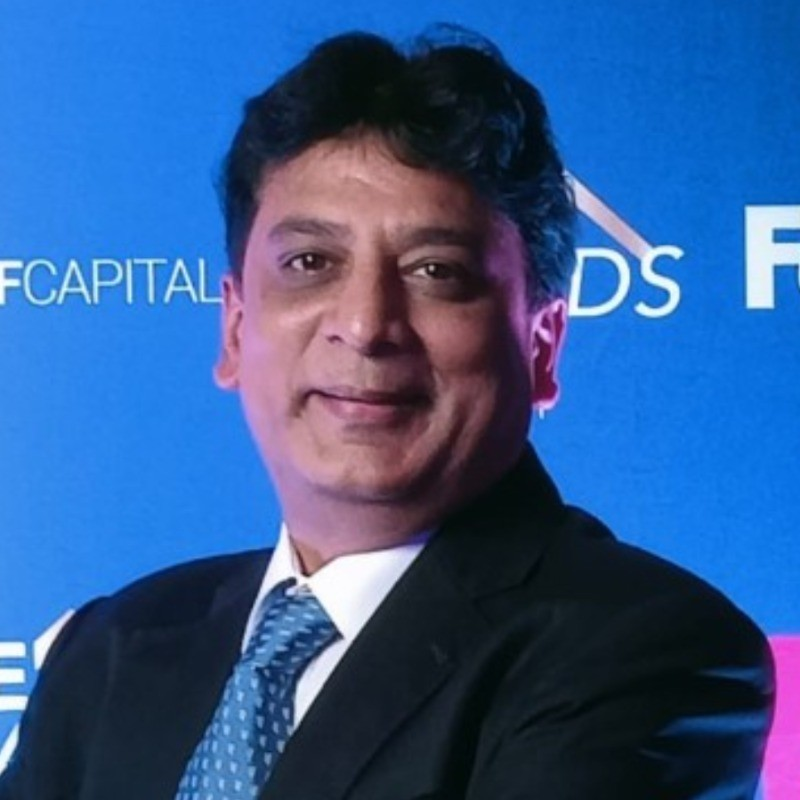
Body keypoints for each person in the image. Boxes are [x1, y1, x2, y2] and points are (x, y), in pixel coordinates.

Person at [0, 27, 773, 800]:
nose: (366, 324)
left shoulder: (649, 652)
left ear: (542, 346)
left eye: (436, 271)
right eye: (311, 263)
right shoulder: (108, 652)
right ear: (234, 331)